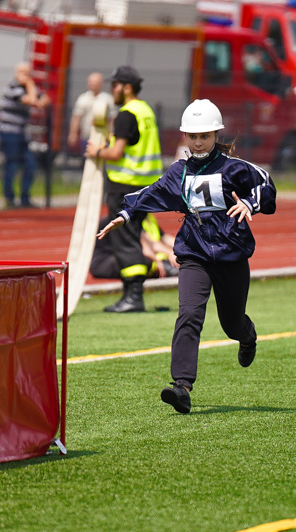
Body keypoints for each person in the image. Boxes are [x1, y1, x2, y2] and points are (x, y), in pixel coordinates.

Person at [96, 99, 276, 414]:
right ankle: (181, 386)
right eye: (192, 136)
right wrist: (124, 214)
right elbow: (150, 193)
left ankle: (247, 337)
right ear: (184, 137)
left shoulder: (234, 168)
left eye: (204, 136)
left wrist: (250, 204)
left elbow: (265, 184)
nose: (197, 142)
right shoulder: (179, 172)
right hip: (194, 255)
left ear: (216, 134)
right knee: (189, 315)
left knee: (232, 323)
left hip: (231, 257)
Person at [86, 65, 164, 313]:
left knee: (124, 241)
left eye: (115, 85)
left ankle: (133, 297)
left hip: (125, 188)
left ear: (126, 87)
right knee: (131, 238)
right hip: (145, 187)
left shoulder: (127, 113)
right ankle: (133, 295)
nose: (112, 90)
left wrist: (96, 151)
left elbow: (117, 152)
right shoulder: (146, 111)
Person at [0, 62, 49, 209]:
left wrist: (37, 98)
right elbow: (32, 101)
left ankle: (25, 198)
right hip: (9, 133)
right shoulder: (12, 88)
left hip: (21, 134)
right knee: (12, 166)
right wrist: (30, 85)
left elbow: (45, 99)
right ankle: (10, 199)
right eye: (22, 73)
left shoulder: (27, 89)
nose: (25, 76)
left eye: (28, 73)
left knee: (30, 165)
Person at [91, 214, 178, 280]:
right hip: (104, 262)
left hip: (123, 256)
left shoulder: (146, 216)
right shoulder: (124, 218)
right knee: (141, 259)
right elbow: (146, 246)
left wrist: (183, 249)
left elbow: (161, 238)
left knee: (144, 257)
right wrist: (158, 259)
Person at [67, 71, 115, 156]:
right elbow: (76, 118)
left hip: (104, 138)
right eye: (90, 81)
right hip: (87, 136)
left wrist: (112, 135)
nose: (92, 84)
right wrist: (73, 134)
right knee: (86, 161)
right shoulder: (82, 99)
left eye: (95, 82)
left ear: (101, 83)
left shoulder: (108, 99)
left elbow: (112, 119)